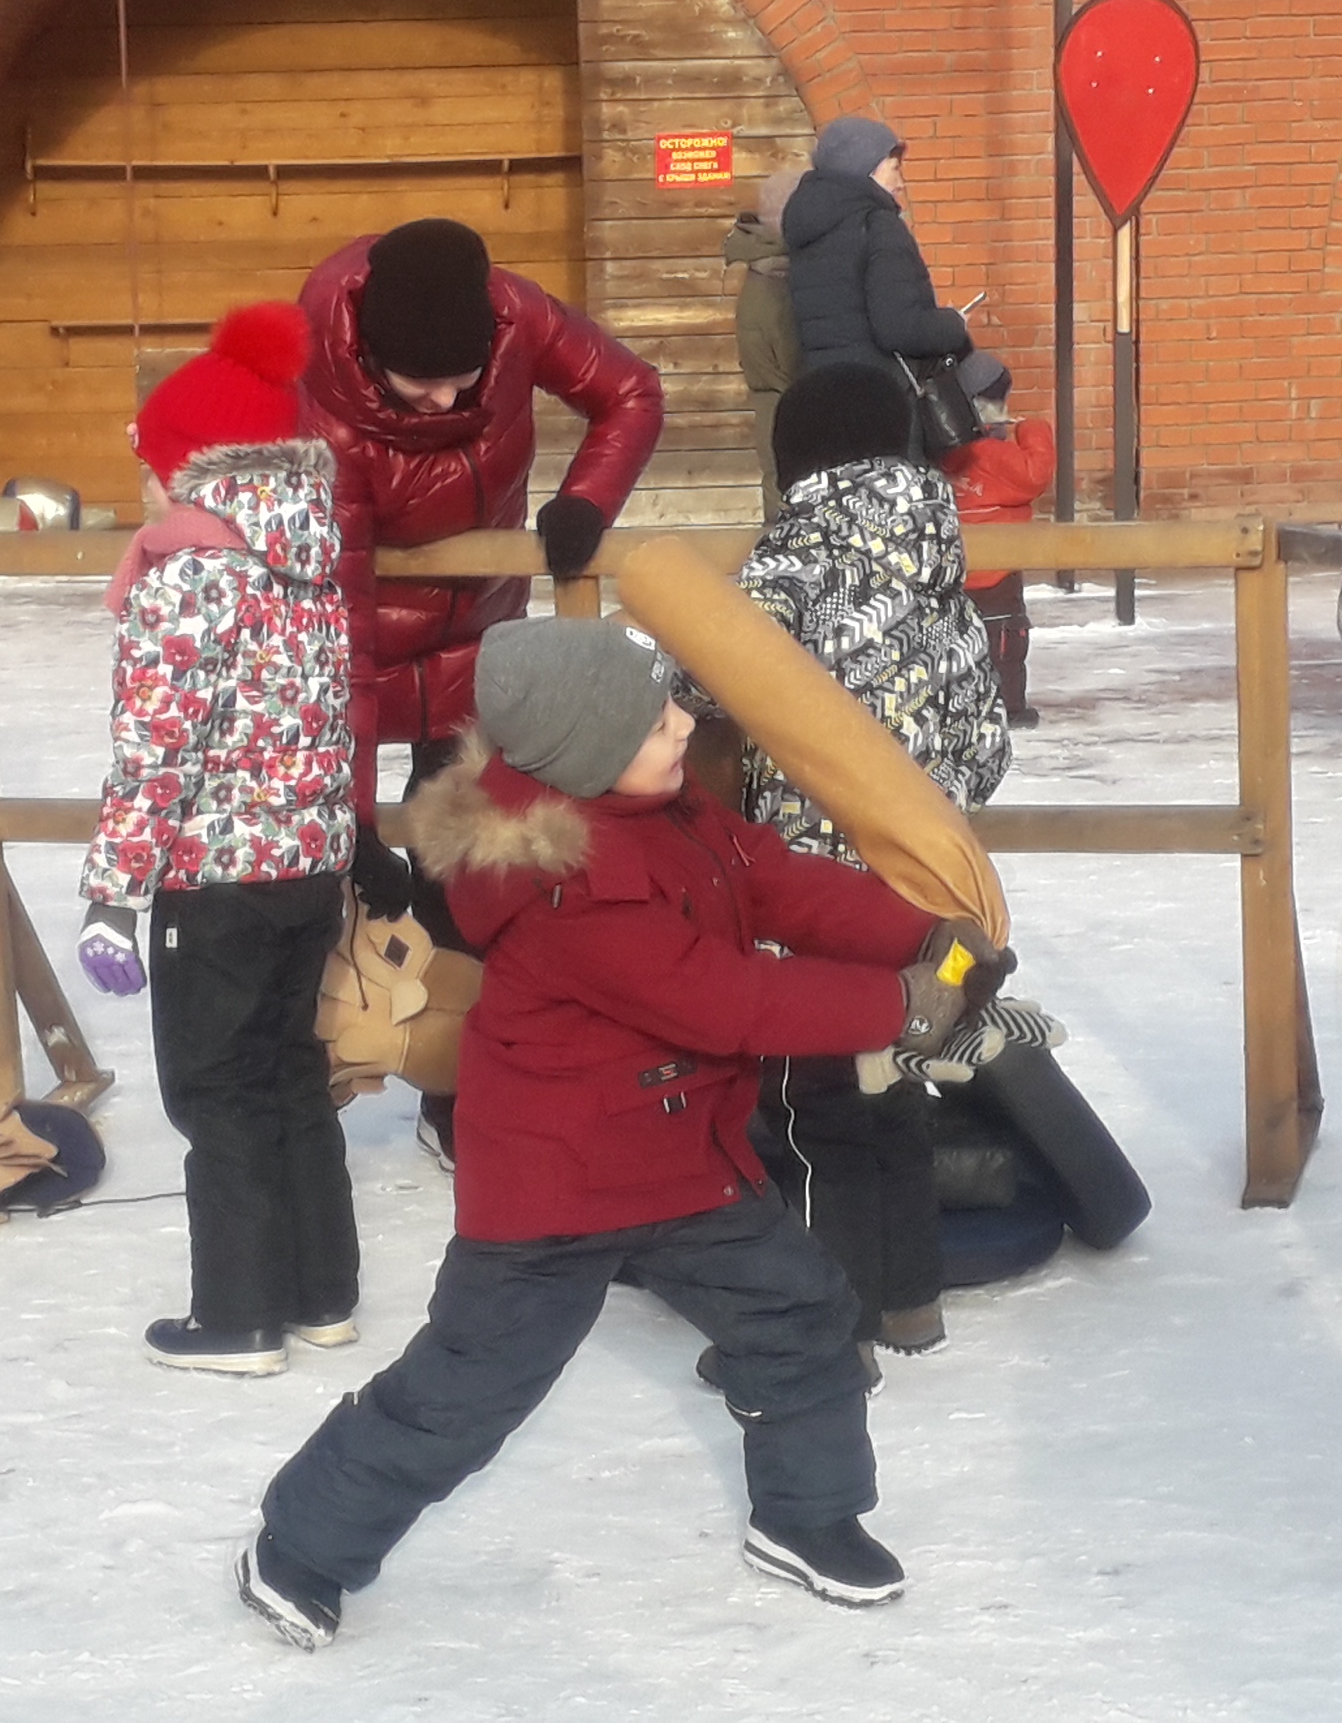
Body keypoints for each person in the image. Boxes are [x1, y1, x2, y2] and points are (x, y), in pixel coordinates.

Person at [241, 618, 972, 1649]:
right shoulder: (561, 887)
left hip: (684, 1160)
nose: (681, 723)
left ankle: (808, 1516)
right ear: (581, 754)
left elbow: (772, 878)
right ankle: (303, 1544)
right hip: (558, 1185)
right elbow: (725, 999)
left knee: (802, 1313)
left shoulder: (668, 809)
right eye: (649, 719)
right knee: (470, 1387)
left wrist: (924, 937)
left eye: (666, 701)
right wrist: (901, 1007)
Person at [297, 216, 663, 1156]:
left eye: (463, 378)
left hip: (480, 646)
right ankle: (327, 1073)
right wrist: (354, 821)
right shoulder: (327, 412)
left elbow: (630, 391)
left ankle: (462, 1095)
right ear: (371, 356)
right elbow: (344, 630)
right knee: (350, 878)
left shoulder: (517, 317)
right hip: (368, 650)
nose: (448, 397)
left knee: (473, 877)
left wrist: (586, 500)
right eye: (421, 381)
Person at [66, 303, 361, 1376]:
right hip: (304, 870)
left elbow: (157, 747)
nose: (145, 485)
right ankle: (321, 1293)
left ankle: (238, 1314)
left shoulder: (192, 573)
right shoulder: (309, 564)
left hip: (218, 880)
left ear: (194, 466)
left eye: (153, 464)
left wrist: (114, 893)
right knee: (289, 1071)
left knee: (217, 1088)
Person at [720, 360, 1009, 1357]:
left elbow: (711, 677)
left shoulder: (792, 558)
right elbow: (988, 743)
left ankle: (827, 1325)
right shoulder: (941, 562)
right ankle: (910, 1299)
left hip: (818, 896)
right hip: (924, 894)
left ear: (794, 461)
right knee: (897, 1089)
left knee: (816, 1105)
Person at [782, 117, 976, 391]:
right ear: (867, 168)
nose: (900, 183)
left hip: (825, 391)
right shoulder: (878, 225)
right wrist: (953, 323)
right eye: (894, 168)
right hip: (884, 393)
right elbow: (900, 328)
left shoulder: (808, 226)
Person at [942, 362, 1055, 726]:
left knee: (954, 639)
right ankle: (1009, 707)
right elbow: (1036, 474)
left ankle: (957, 705)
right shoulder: (991, 455)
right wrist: (1032, 429)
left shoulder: (939, 453)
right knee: (1004, 640)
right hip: (999, 572)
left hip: (951, 567)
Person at [729, 167, 805, 506]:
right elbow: (790, 362)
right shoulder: (777, 277)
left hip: (772, 406)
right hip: (786, 411)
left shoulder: (760, 264)